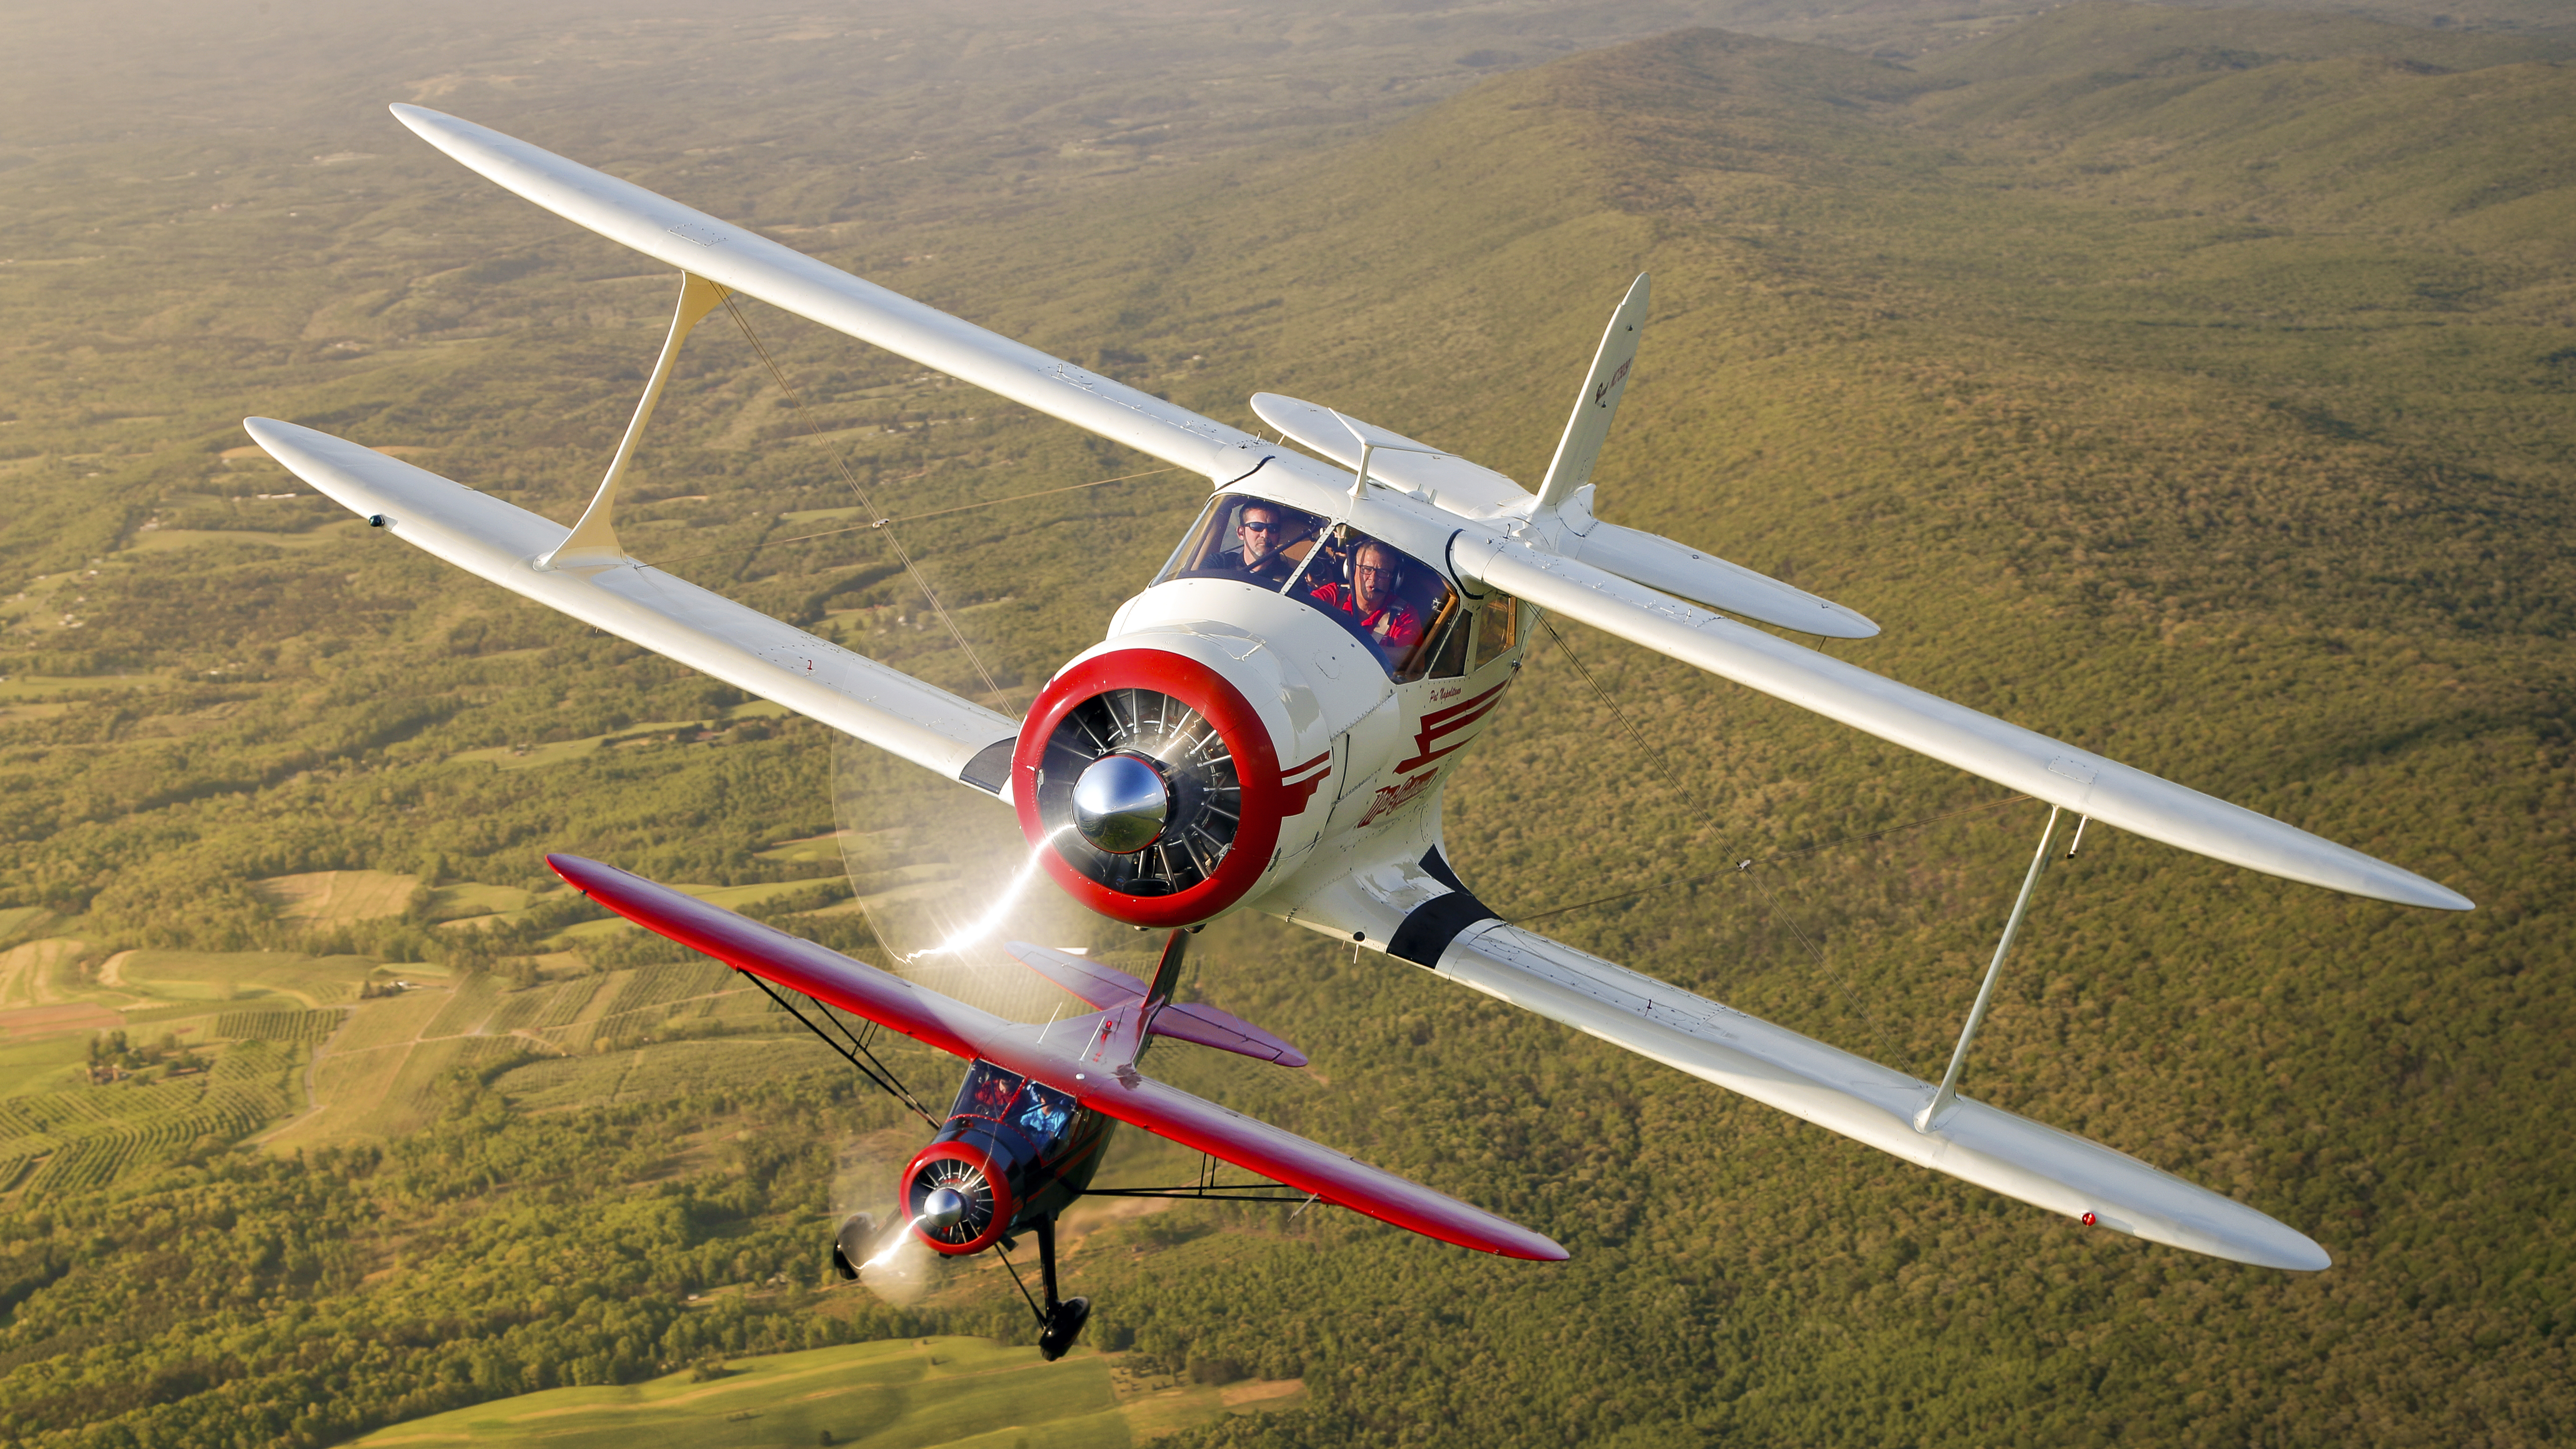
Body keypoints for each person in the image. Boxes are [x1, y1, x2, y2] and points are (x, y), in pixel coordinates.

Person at [1309, 539, 1422, 660]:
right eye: (1367, 569)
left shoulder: (1403, 614)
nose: (1373, 579)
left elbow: (1414, 660)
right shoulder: (1334, 595)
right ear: (1352, 570)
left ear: (1394, 580)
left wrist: (1357, 647)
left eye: (1383, 572)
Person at [1213, 501, 1302, 584]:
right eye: (1257, 527)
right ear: (1241, 533)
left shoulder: (1292, 580)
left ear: (1279, 534)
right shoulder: (1219, 564)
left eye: (1273, 528)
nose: (1265, 534)